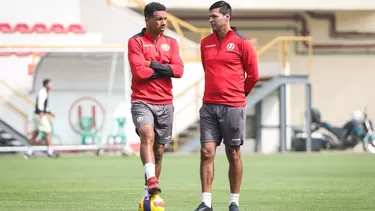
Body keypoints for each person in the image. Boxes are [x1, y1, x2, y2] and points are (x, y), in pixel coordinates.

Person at [194, 1, 259, 211]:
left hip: (233, 106)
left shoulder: (243, 43)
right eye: (209, 17)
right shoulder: (205, 43)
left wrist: (240, 94)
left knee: (233, 153)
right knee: (206, 152)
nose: (210, 20)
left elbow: (254, 75)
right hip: (209, 106)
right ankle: (206, 202)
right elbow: (207, 70)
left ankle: (234, 202)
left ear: (227, 17)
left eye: (214, 16)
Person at [127, 2, 184, 197]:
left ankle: (148, 195)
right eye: (159, 19)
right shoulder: (135, 42)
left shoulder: (172, 42)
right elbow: (139, 73)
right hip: (142, 100)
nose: (163, 23)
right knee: (147, 135)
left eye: (165, 19)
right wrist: (165, 69)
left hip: (165, 102)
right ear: (148, 20)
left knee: (159, 150)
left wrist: (151, 64)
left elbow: (179, 71)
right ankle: (152, 180)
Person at [25, 79, 59, 159]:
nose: (51, 85)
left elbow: (44, 106)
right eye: (50, 84)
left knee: (35, 133)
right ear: (46, 84)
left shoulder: (44, 92)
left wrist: (50, 112)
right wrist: (41, 113)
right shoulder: (43, 92)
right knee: (48, 131)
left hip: (36, 115)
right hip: (40, 115)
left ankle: (28, 152)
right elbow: (40, 104)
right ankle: (50, 152)